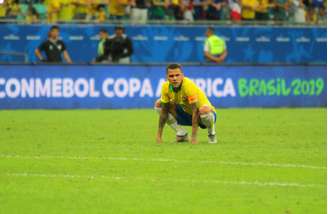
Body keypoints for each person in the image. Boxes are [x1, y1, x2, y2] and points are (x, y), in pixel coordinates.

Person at [155, 64, 217, 144]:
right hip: (188, 114)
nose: (174, 78)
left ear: (182, 76)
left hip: (204, 116)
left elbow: (195, 110)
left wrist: (194, 137)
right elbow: (164, 110)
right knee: (159, 104)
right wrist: (159, 136)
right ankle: (182, 133)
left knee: (204, 110)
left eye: (177, 75)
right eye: (171, 76)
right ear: (167, 77)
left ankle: (211, 133)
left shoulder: (187, 85)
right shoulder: (167, 87)